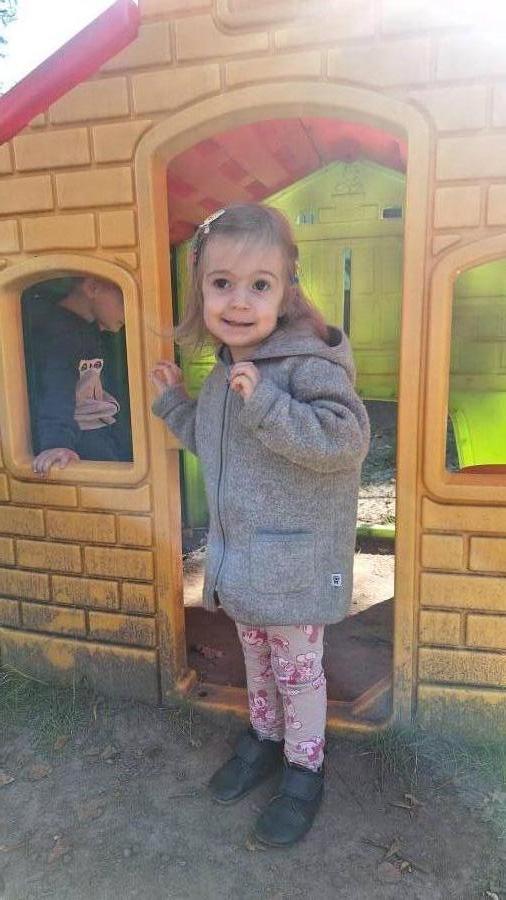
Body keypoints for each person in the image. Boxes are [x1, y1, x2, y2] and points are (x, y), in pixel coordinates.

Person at [150, 203, 370, 847]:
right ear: (200, 290)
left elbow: (345, 441)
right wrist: (173, 402)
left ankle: (305, 769)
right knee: (258, 659)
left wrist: (268, 402)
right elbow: (215, 444)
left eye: (259, 284)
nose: (239, 301)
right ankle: (266, 737)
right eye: (222, 283)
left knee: (297, 669)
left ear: (286, 290)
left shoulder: (306, 363)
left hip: (292, 559)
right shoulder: (226, 370)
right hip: (244, 560)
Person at [24, 275, 133, 475]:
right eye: (125, 298)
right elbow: (55, 389)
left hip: (94, 428)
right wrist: (57, 443)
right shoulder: (60, 334)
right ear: (92, 287)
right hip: (77, 436)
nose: (133, 309)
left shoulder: (86, 329)